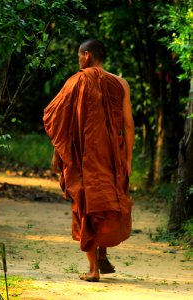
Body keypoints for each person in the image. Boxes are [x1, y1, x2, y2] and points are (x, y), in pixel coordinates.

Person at [43, 38, 135, 282]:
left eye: (78, 56)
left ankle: (93, 269)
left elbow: (58, 122)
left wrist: (58, 155)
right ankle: (102, 255)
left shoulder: (75, 82)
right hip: (113, 157)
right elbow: (128, 125)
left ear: (86, 56)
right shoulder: (121, 84)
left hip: (84, 157)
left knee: (87, 204)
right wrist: (128, 160)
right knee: (107, 202)